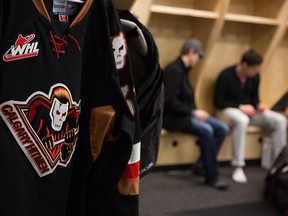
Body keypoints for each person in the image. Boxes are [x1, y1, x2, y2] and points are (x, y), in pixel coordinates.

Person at [163, 38, 229, 190]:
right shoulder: (173, 70)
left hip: (185, 115)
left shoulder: (184, 71)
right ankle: (212, 176)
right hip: (173, 118)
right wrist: (193, 112)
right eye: (198, 56)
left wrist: (195, 112)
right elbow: (169, 101)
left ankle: (201, 165)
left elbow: (187, 98)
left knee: (222, 128)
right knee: (207, 130)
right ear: (192, 52)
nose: (198, 60)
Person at [213, 49, 287, 184]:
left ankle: (279, 164)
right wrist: (240, 106)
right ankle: (238, 166)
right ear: (244, 65)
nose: (256, 71)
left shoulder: (255, 77)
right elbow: (218, 102)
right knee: (242, 120)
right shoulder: (226, 75)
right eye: (254, 68)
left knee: (280, 120)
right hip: (227, 111)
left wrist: (259, 105)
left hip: (249, 112)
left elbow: (254, 99)